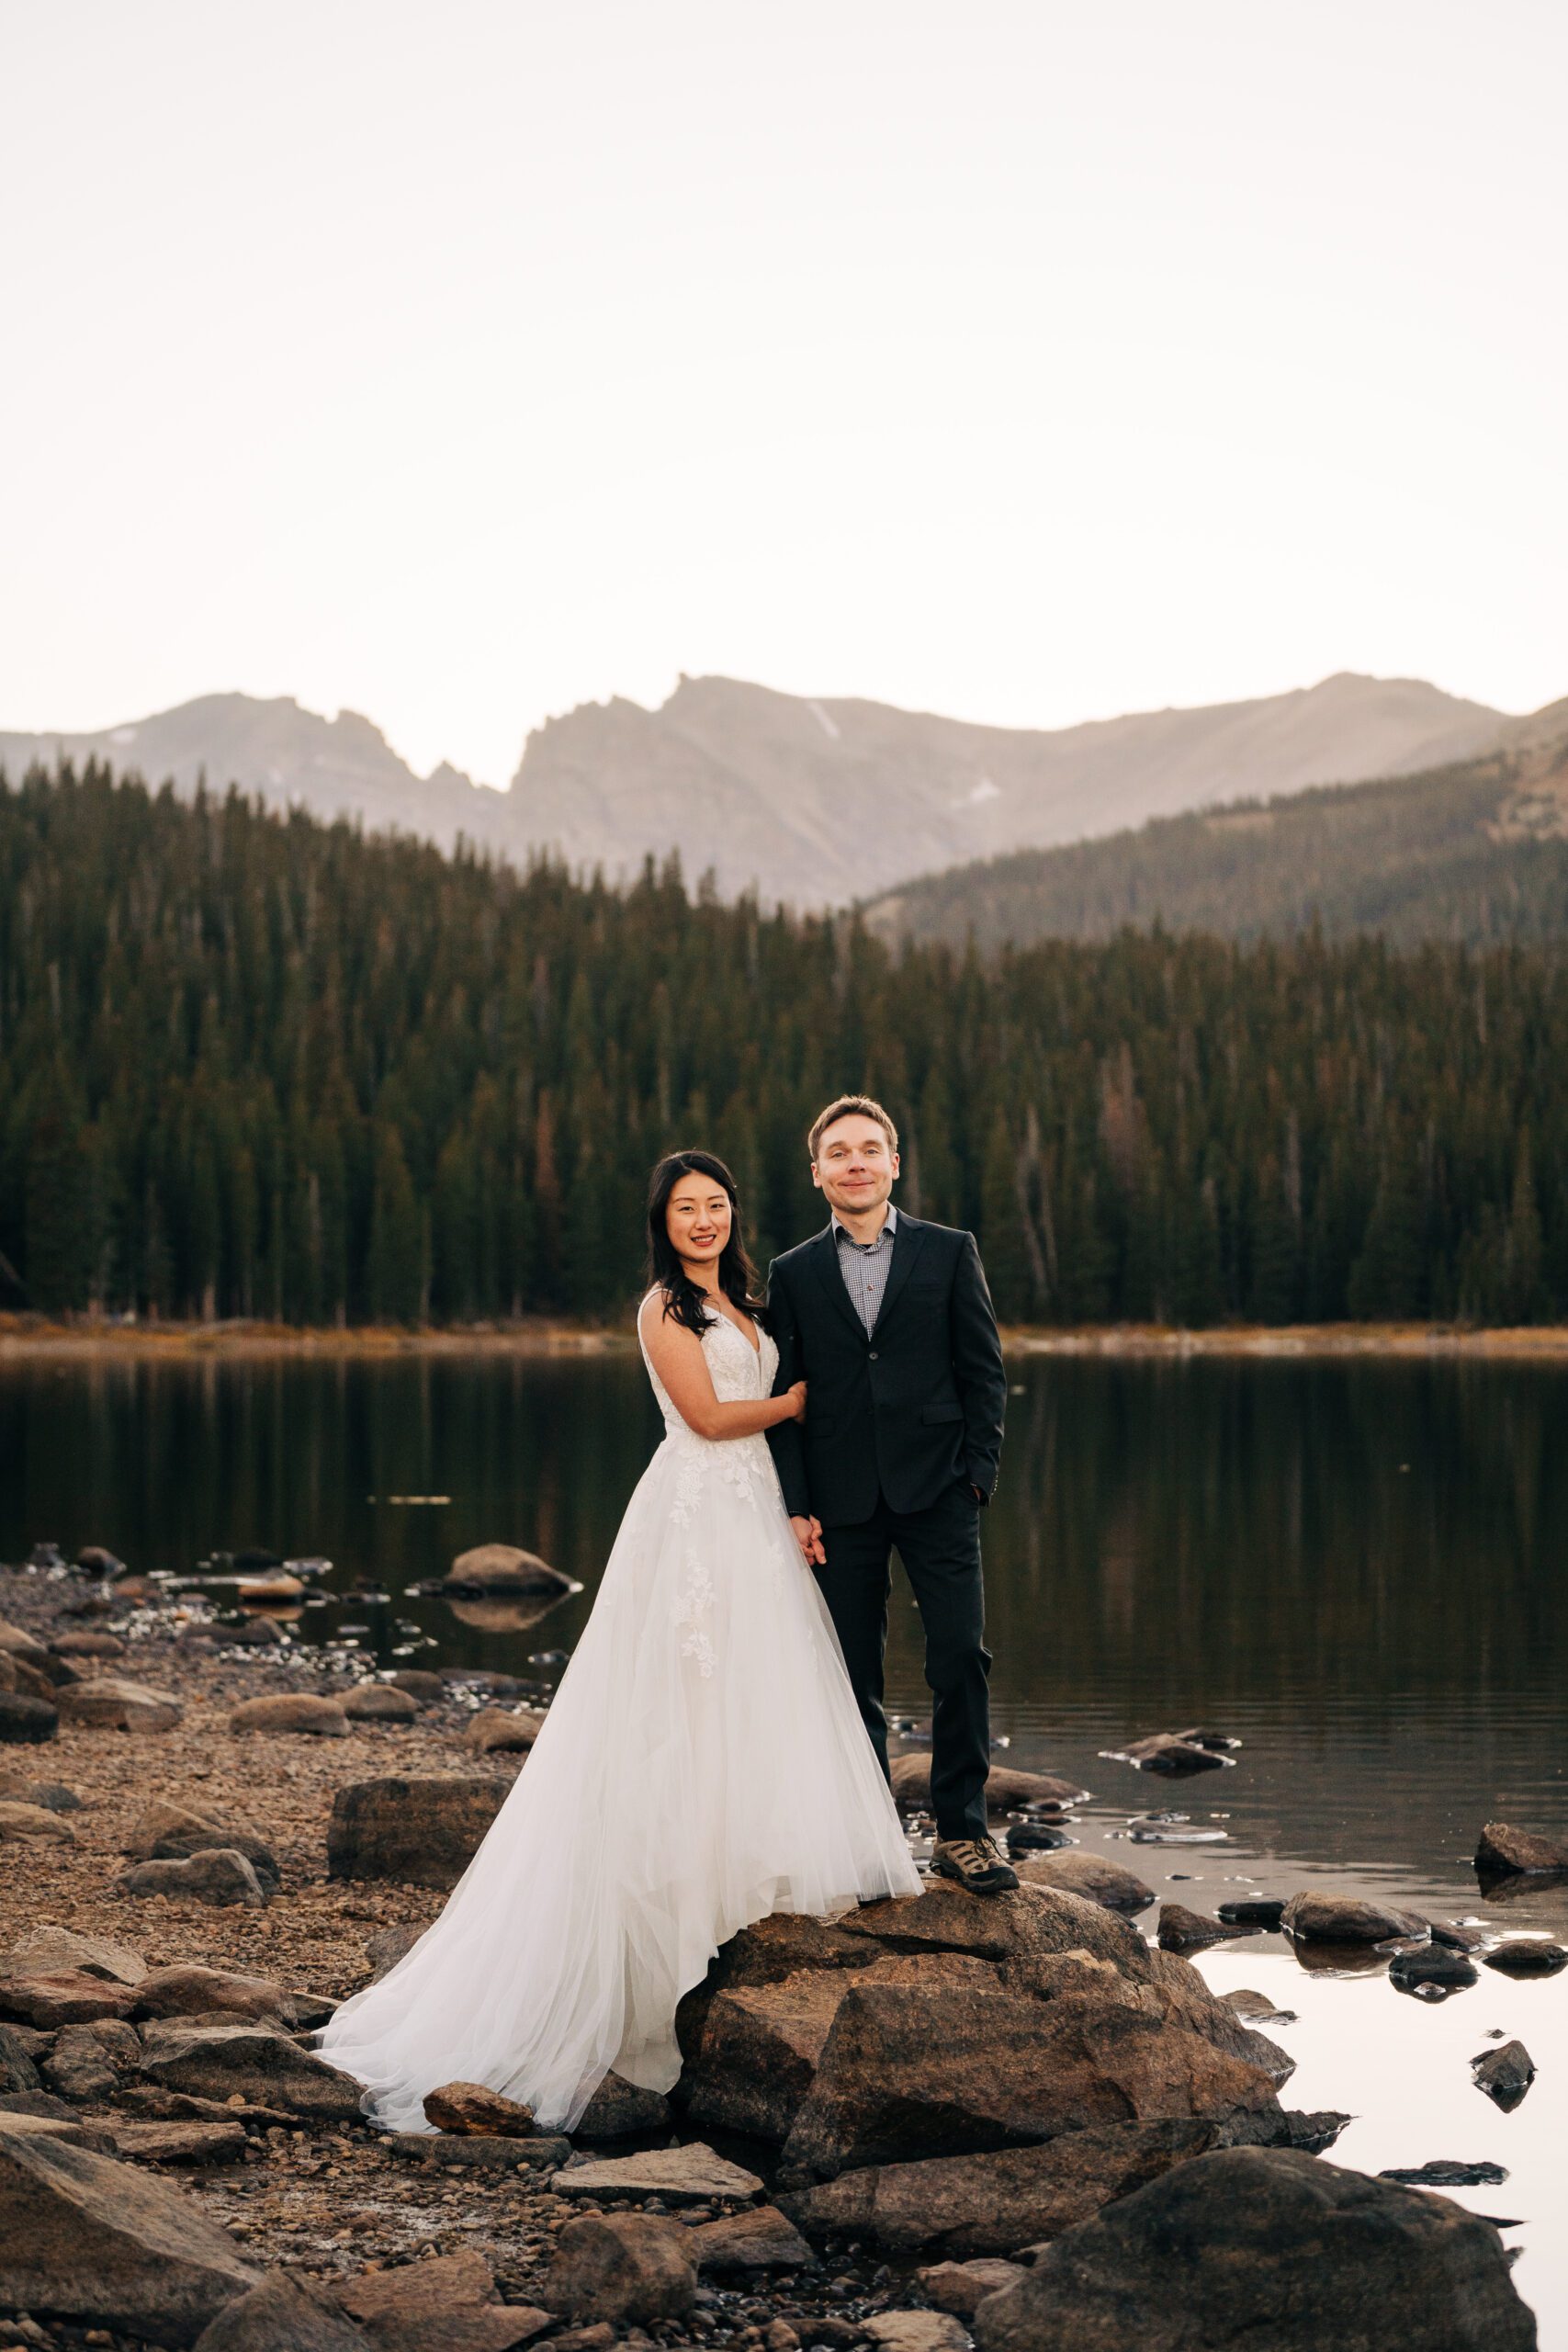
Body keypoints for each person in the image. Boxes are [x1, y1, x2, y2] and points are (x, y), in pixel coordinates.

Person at [315, 1148, 920, 2133]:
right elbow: (710, 1416)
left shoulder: (750, 1299)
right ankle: (668, 1934)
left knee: (764, 1695)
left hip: (759, 1517)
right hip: (695, 1516)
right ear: (663, 1221)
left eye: (716, 1205)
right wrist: (799, 1403)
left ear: (734, 1214)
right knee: (684, 1700)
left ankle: (752, 1896)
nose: (704, 1221)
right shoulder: (662, 1310)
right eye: (686, 1209)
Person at [764, 1094, 1015, 1894]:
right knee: (849, 1674)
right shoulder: (793, 1272)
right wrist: (796, 1503)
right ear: (817, 1174)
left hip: (939, 1488)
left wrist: (977, 1473)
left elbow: (983, 1371)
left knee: (959, 1659)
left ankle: (962, 1833)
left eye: (869, 1149)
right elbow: (787, 1394)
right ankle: (867, 1838)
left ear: (894, 1163)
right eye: (839, 1153)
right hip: (840, 1501)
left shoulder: (948, 1251)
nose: (855, 1163)